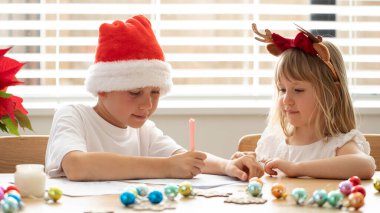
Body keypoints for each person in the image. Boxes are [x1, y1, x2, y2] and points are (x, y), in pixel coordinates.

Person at [45, 15, 264, 181]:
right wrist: (167, 167)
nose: (147, 105)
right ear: (103, 88)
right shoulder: (72, 115)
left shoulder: (144, 130)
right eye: (134, 92)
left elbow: (184, 158)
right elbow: (76, 166)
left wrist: (227, 166)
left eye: (155, 92)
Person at [248, 24, 376, 179]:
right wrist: (246, 165)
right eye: (282, 89)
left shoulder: (337, 145)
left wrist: (296, 168)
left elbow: (365, 166)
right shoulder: (272, 141)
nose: (286, 100)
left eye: (298, 90)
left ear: (332, 94)